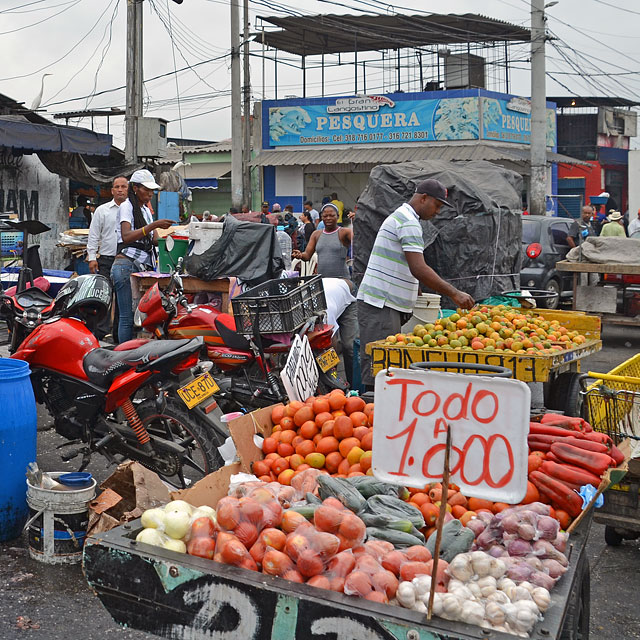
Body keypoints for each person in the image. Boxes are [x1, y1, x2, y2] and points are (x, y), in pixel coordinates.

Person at [357, 179, 474, 390]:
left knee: (384, 367)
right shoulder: (408, 222)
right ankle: (373, 414)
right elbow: (418, 268)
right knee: (381, 370)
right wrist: (454, 293)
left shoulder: (404, 217)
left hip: (385, 304)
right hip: (381, 304)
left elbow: (405, 265)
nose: (437, 212)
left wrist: (414, 288)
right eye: (437, 206)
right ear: (423, 198)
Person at [111, 169, 173, 343]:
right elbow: (126, 236)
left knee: (141, 315)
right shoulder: (126, 207)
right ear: (136, 188)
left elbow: (154, 240)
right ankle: (123, 357)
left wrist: (171, 240)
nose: (151, 194)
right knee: (126, 317)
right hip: (125, 266)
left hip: (141, 267)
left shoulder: (145, 210)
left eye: (152, 191)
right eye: (147, 190)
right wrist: (154, 225)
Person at [87, 175, 128, 341]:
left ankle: (119, 335)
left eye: (123, 186)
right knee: (103, 297)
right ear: (112, 190)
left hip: (126, 260)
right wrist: (91, 257)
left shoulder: (133, 211)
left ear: (128, 189)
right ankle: (100, 333)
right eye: (116, 187)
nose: (120, 190)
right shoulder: (102, 210)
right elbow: (94, 234)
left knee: (122, 299)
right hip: (106, 259)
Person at [292, 203, 352, 279]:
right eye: (325, 216)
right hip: (322, 281)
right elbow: (307, 255)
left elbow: (360, 242)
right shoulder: (316, 234)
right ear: (321, 218)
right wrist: (300, 255)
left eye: (332, 215)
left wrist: (356, 222)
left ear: (338, 216)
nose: (328, 218)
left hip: (341, 280)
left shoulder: (344, 232)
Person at [323, 277, 358, 388]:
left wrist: (332, 376)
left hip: (348, 292)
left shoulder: (325, 315)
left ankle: (355, 388)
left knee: (350, 345)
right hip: (330, 290)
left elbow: (331, 345)